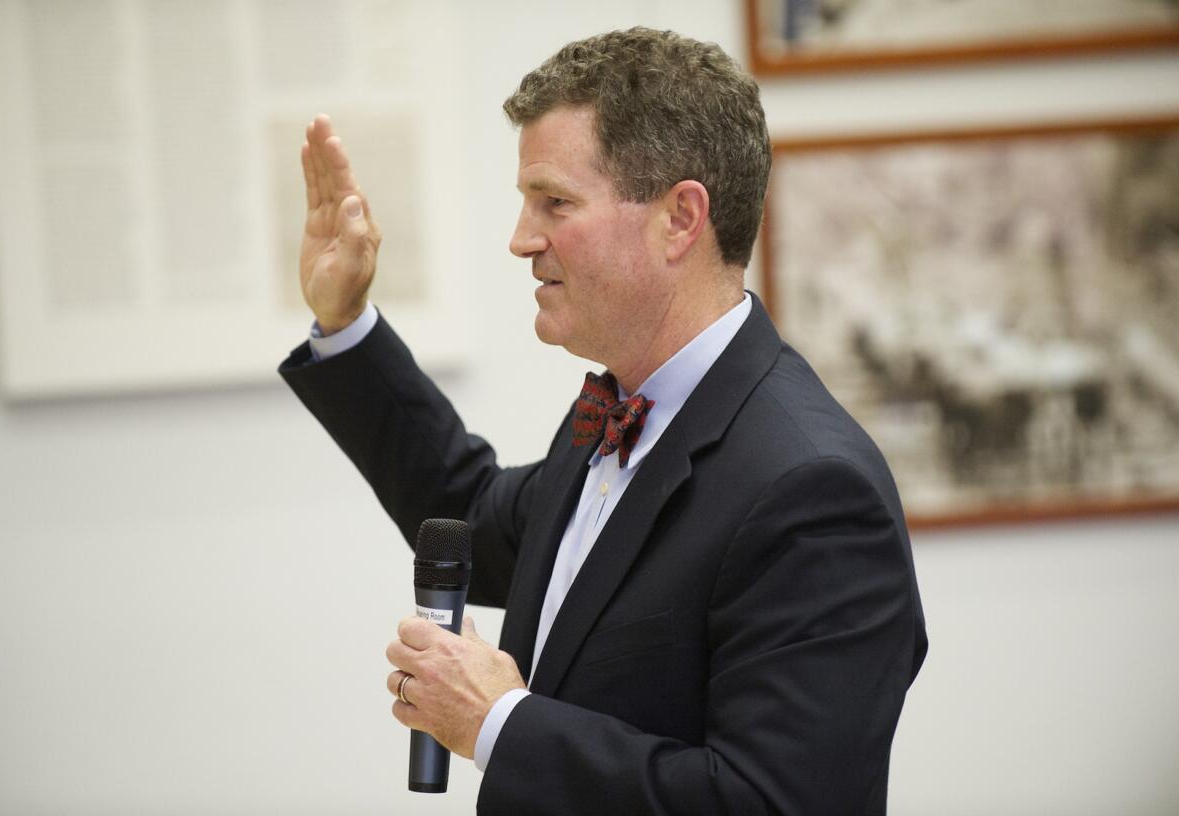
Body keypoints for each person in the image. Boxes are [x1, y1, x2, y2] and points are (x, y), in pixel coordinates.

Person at [280, 27, 926, 815]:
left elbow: (773, 804)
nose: (522, 240)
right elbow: (469, 512)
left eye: (554, 202)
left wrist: (501, 724)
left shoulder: (814, 490)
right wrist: (344, 322)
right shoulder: (615, 409)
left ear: (680, 219)